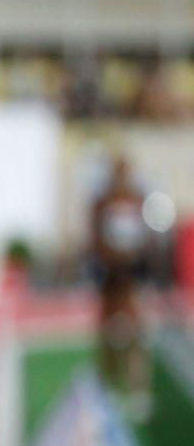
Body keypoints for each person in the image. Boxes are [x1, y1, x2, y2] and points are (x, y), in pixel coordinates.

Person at [91, 156, 152, 419]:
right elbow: (95, 238)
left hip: (131, 279)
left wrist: (135, 262)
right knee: (109, 335)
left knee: (135, 334)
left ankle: (139, 391)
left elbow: (145, 238)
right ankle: (109, 387)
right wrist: (111, 261)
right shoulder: (102, 202)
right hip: (110, 278)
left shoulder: (137, 199)